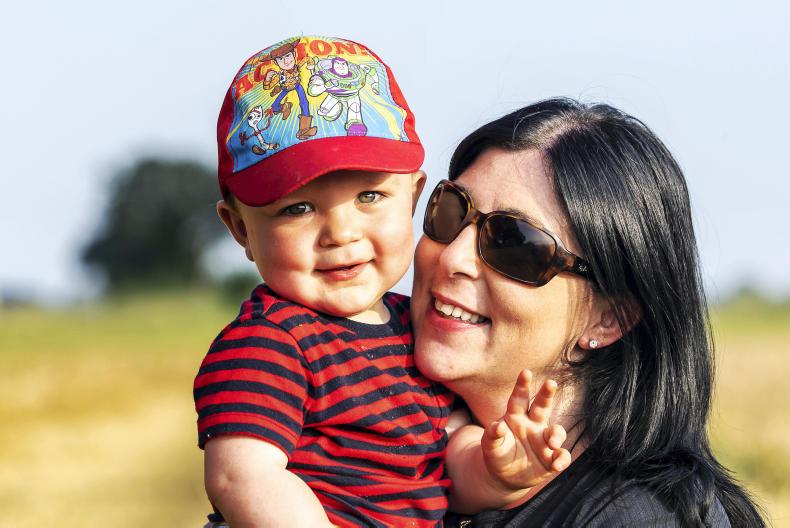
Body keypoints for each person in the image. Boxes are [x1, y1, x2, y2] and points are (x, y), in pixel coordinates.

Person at [193, 36, 570, 528]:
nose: (341, 233)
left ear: (414, 197)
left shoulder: (415, 331)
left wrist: (495, 469)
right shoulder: (269, 344)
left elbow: (445, 464)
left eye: (369, 196)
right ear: (241, 229)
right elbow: (243, 477)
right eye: (298, 208)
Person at [411, 98, 765, 527]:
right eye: (452, 210)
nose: (453, 257)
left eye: (513, 243)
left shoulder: (641, 519)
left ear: (610, 318)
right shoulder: (372, 437)